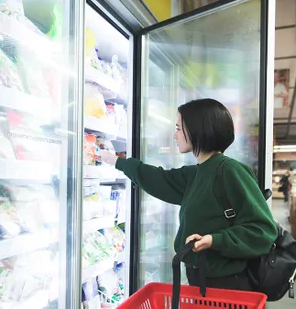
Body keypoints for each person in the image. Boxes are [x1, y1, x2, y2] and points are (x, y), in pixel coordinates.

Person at [100, 98, 277, 292]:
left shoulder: (230, 171)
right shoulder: (196, 173)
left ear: (197, 130)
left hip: (227, 284)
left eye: (178, 128)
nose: (175, 135)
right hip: (201, 280)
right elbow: (159, 179)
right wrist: (117, 161)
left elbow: (263, 230)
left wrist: (215, 240)